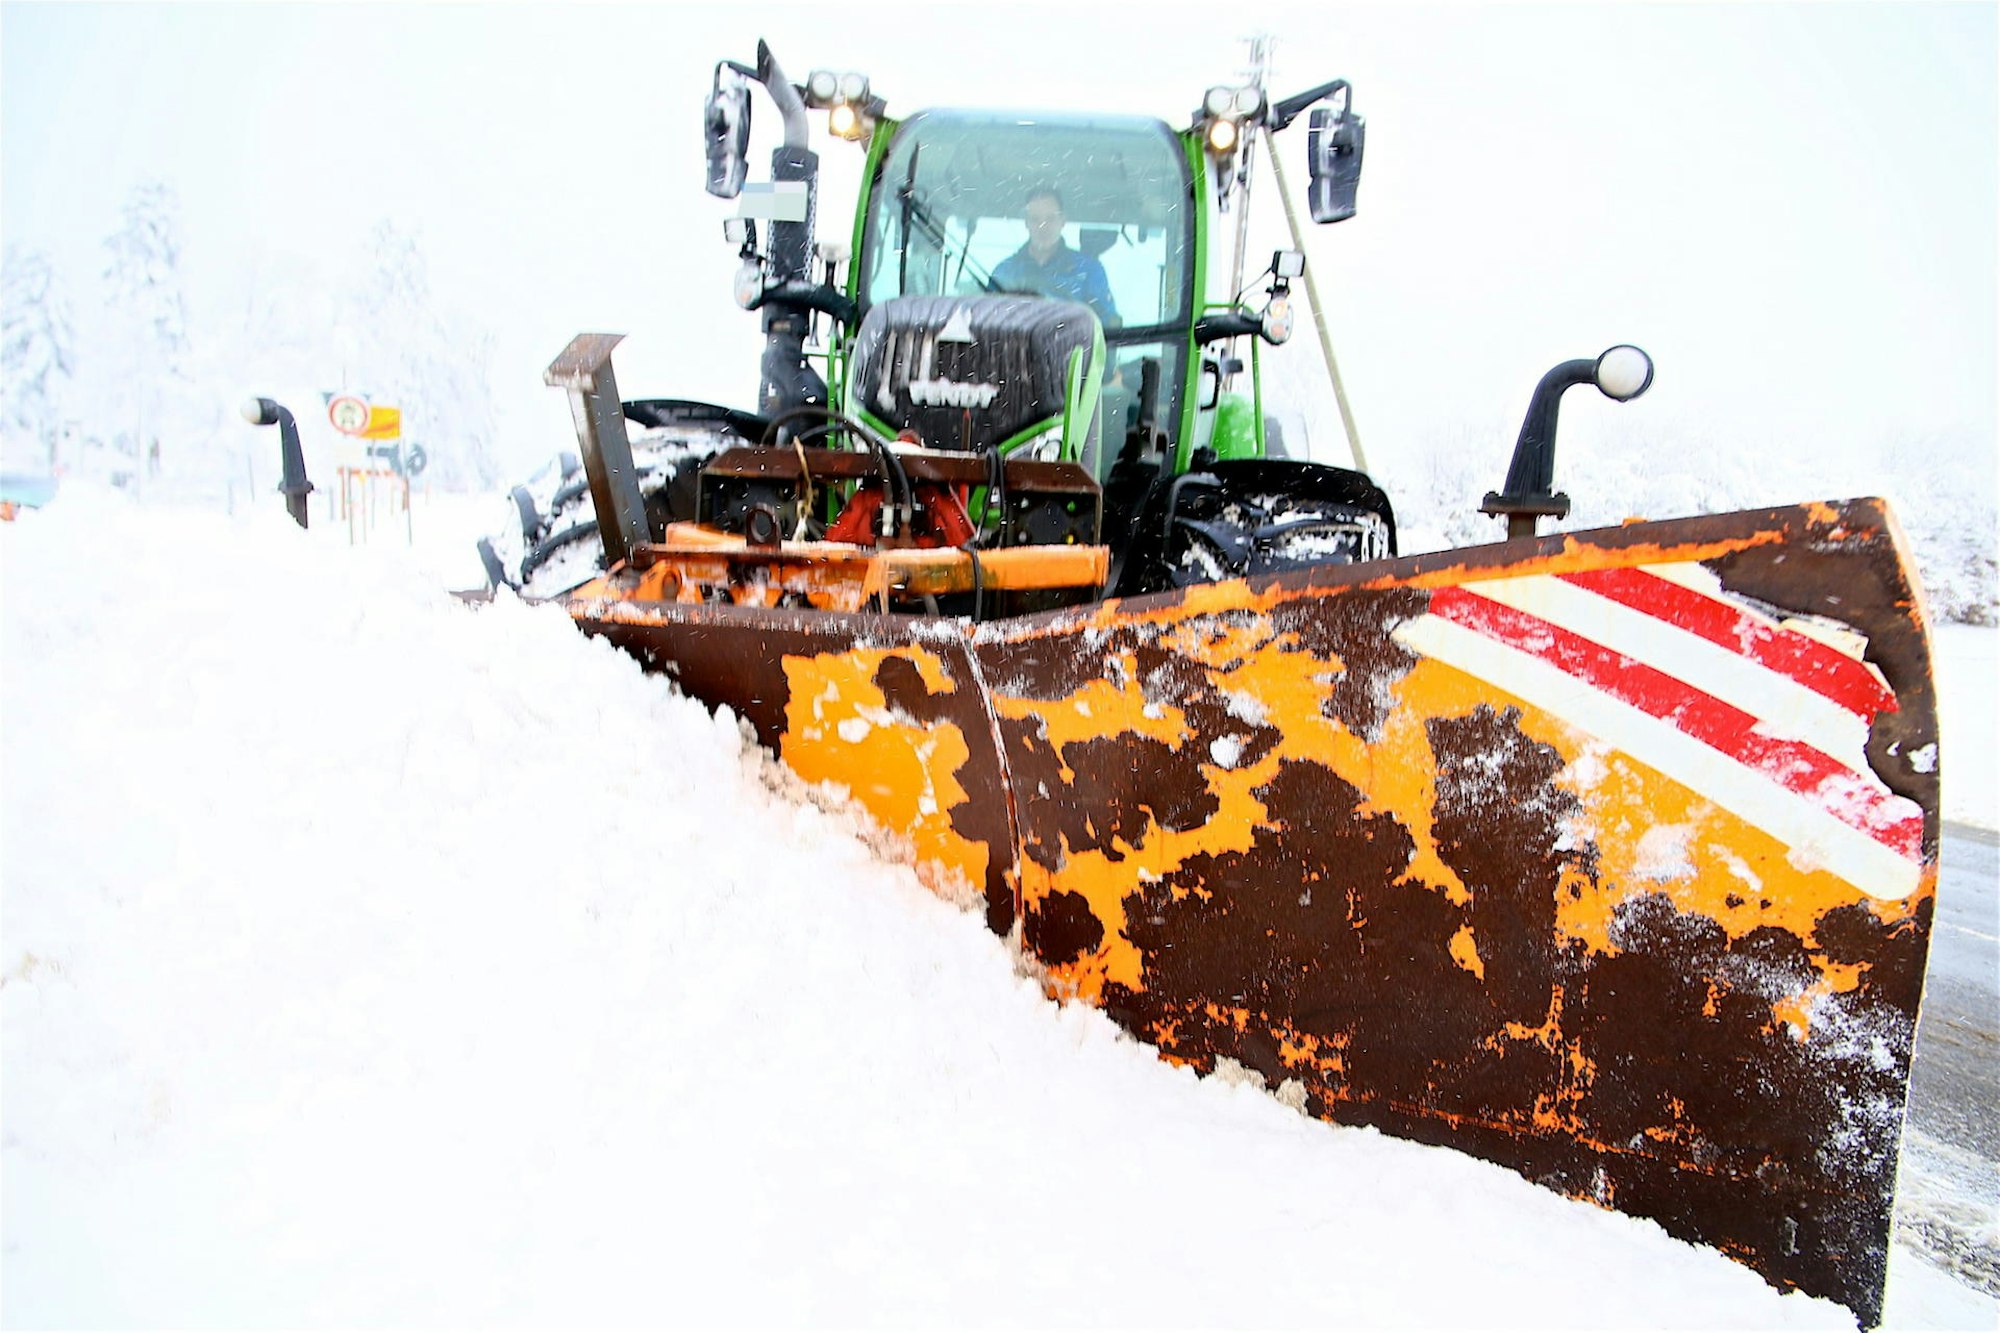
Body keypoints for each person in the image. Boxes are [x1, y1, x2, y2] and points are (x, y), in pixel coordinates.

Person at [991, 187, 1119, 326]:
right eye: (1035, 219)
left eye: (1050, 218)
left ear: (1063, 221)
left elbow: (1107, 327)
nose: (1042, 227)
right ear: (1026, 223)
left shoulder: (1089, 270)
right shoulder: (1005, 272)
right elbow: (986, 322)